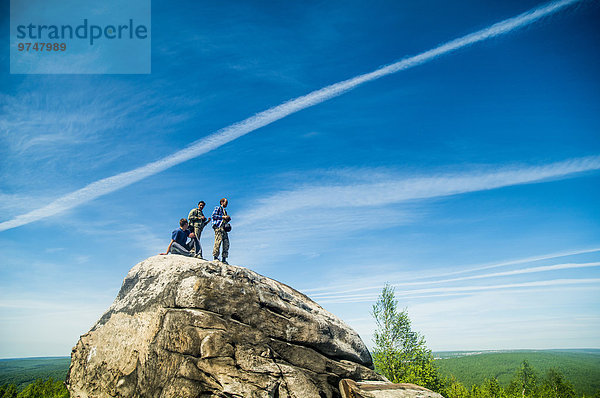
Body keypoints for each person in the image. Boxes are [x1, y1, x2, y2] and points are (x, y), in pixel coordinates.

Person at [211, 197, 231, 264]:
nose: (227, 204)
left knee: (226, 243)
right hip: (219, 226)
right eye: (226, 202)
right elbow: (213, 216)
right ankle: (215, 257)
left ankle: (224, 258)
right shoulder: (218, 208)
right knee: (218, 241)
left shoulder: (225, 211)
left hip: (224, 228)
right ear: (222, 202)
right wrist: (223, 217)